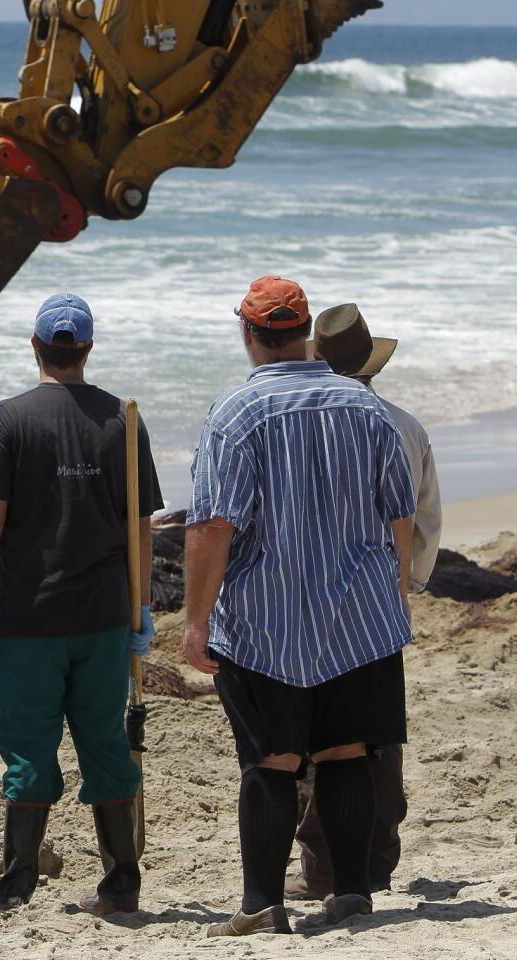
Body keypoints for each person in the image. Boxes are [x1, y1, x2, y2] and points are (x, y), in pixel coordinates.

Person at [183, 277, 416, 937]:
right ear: (305, 330)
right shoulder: (365, 407)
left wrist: (196, 620)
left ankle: (262, 904)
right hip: (357, 615)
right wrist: (394, 593)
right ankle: (349, 895)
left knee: (271, 760)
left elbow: (213, 525)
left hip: (265, 617)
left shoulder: (235, 412)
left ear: (249, 334)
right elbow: (399, 511)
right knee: (346, 753)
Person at [0, 293, 162, 916]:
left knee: (27, 748)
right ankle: (121, 882)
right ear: (87, 350)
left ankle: (17, 882)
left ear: (35, 347)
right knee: (104, 742)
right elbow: (141, 524)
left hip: (29, 618)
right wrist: (142, 605)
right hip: (102, 616)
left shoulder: (6, 420)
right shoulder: (121, 419)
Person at [284, 303, 442, 899]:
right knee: (379, 731)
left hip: (314, 594)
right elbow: (424, 520)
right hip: (381, 595)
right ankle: (376, 861)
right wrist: (411, 587)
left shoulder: (302, 421)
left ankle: (324, 868)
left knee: (319, 733)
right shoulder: (403, 426)